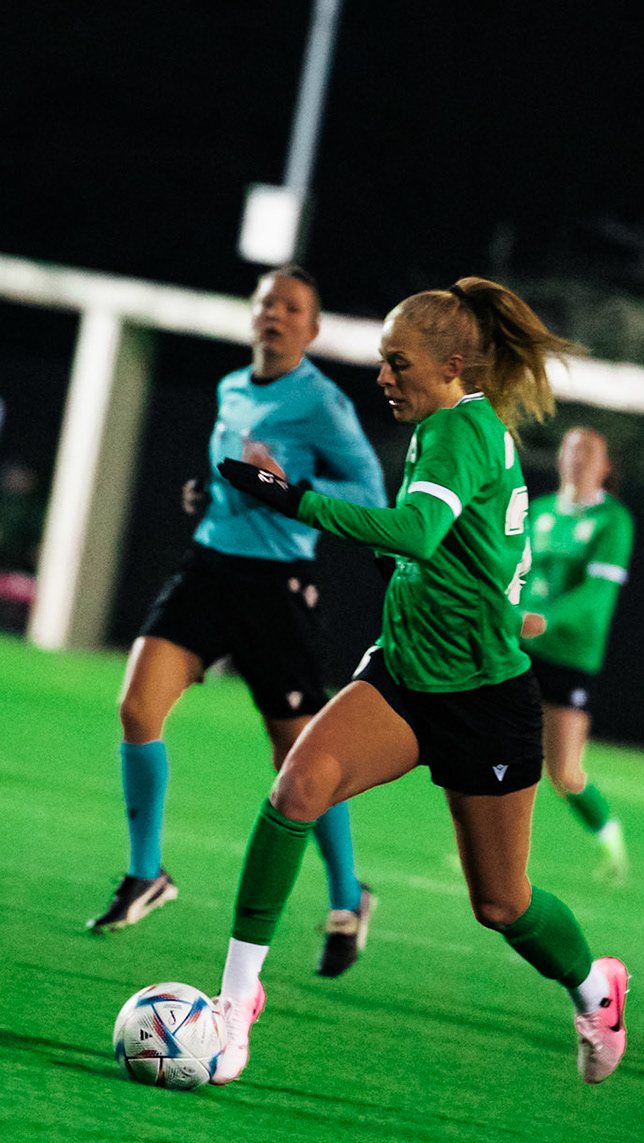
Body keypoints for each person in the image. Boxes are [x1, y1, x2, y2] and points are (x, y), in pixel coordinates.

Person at [213, 276, 630, 1086]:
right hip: (405, 674)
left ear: (455, 365)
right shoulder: (444, 425)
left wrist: (294, 498)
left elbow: (417, 530)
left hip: (484, 698)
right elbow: (424, 552)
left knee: (502, 904)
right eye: (381, 361)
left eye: (397, 363)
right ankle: (234, 1007)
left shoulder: (461, 434)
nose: (383, 377)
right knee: (296, 791)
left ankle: (593, 987)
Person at [93, 265, 389, 981]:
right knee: (137, 706)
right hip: (208, 569)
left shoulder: (321, 403)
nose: (274, 315)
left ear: (312, 329)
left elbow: (371, 493)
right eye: (265, 304)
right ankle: (145, 873)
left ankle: (349, 897)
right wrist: (207, 491)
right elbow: (230, 472)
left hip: (276, 590)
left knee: (302, 764)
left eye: (291, 308)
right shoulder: (231, 387)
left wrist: (290, 490)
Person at [521, 427, 635, 883]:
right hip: (522, 648)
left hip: (572, 656)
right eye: (570, 449)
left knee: (564, 773)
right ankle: (496, 852)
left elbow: (597, 596)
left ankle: (610, 836)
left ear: (606, 466)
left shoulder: (613, 521)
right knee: (504, 752)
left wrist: (546, 618)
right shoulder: (540, 510)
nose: (578, 458)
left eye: (589, 451)